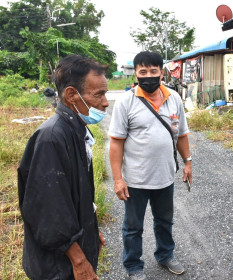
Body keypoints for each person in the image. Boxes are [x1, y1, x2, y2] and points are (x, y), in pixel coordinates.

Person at [18, 54, 109, 279]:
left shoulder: (75, 129)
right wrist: (79, 260)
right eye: (99, 94)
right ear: (71, 95)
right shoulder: (52, 138)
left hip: (72, 251)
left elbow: (76, 195)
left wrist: (90, 228)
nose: (105, 102)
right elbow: (48, 212)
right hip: (59, 264)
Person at [108, 51, 193, 280]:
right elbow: (116, 144)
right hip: (135, 180)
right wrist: (118, 179)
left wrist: (187, 162)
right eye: (143, 71)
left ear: (161, 73)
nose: (148, 76)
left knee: (164, 221)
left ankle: (165, 255)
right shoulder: (126, 102)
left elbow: (181, 134)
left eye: (153, 71)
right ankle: (133, 266)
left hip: (165, 177)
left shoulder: (174, 98)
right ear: (135, 73)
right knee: (133, 227)